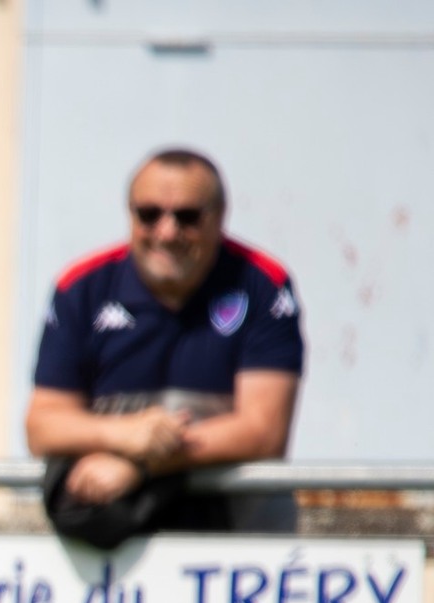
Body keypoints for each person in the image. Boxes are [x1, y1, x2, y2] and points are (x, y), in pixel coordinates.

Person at [26, 148, 304, 547]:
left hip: (238, 552)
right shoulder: (81, 286)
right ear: (130, 214)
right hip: (118, 551)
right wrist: (125, 435)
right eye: (149, 214)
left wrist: (142, 463)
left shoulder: (263, 284)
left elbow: (263, 432)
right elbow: (43, 425)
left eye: (187, 216)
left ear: (220, 217)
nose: (167, 232)